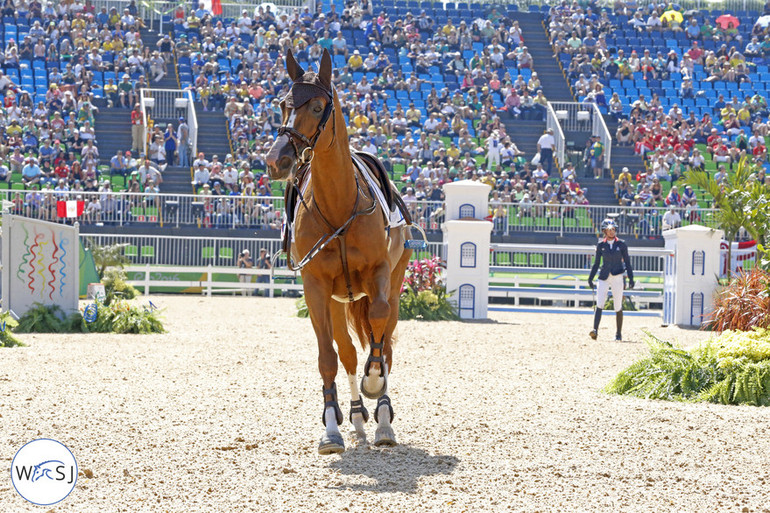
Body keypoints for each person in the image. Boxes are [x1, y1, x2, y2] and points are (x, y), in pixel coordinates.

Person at [587, 219, 635, 341]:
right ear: (604, 231)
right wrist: (590, 278)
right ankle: (595, 330)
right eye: (609, 230)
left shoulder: (622, 245)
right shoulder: (601, 245)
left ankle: (618, 334)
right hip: (604, 276)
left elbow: (628, 262)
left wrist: (631, 278)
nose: (612, 232)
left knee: (618, 305)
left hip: (617, 276)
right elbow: (597, 263)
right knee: (599, 303)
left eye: (613, 229)